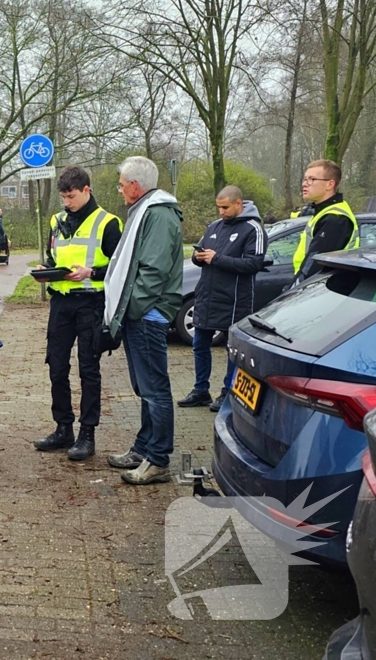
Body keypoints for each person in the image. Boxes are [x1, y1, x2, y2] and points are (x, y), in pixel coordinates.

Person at [104, 156, 184, 485]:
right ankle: (143, 448)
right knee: (144, 387)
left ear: (136, 186)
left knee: (154, 389)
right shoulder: (147, 210)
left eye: (122, 185)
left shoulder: (159, 214)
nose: (120, 190)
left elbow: (152, 270)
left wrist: (131, 309)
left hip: (147, 313)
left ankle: (158, 459)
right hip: (141, 312)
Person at [32, 166, 121, 461]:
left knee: (88, 369)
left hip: (90, 304)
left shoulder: (107, 223)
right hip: (60, 302)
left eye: (71, 197)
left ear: (86, 190)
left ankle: (87, 433)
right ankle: (63, 428)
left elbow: (121, 268)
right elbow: (55, 256)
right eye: (63, 197)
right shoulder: (57, 220)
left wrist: (92, 271)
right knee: (56, 366)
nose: (66, 202)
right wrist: (47, 268)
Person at [178, 186, 266, 412]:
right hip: (207, 296)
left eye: (225, 207)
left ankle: (228, 390)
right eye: (219, 207)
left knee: (232, 348)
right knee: (199, 344)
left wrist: (217, 259)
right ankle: (200, 390)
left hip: (234, 299)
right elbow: (203, 257)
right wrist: (199, 257)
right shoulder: (214, 227)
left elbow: (253, 264)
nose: (221, 212)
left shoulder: (253, 229)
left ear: (239, 204)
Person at [291, 159, 359, 286]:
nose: (305, 184)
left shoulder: (335, 218)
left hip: (321, 291)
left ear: (330, 184)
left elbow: (314, 266)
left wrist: (293, 289)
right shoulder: (323, 212)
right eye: (304, 179)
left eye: (312, 179)